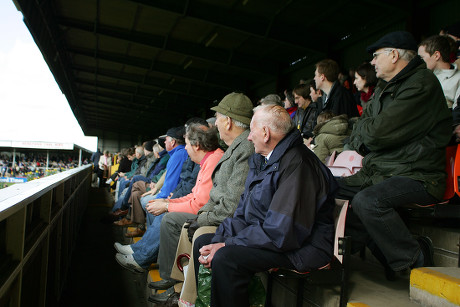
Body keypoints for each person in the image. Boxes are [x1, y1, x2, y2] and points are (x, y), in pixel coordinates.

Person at [193, 105, 338, 306]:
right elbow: (243, 215)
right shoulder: (263, 160)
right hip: (274, 236)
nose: (249, 137)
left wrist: (228, 244)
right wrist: (220, 239)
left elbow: (283, 232)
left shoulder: (299, 164)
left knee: (226, 257)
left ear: (265, 133)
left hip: (301, 246)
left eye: (252, 131)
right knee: (204, 244)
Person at [339, 31, 452, 276]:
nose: (372, 62)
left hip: (418, 174)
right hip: (383, 169)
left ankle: (414, 258)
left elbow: (377, 133)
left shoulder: (421, 83)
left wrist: (370, 134)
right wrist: (368, 135)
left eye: (376, 56)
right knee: (326, 186)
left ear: (393, 55)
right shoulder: (383, 88)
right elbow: (360, 128)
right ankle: (387, 256)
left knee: (368, 202)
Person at [148, 92, 255, 305]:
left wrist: (202, 218)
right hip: (219, 215)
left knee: (190, 228)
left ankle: (185, 297)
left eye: (220, 118)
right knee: (188, 225)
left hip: (231, 221)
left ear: (229, 121)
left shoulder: (244, 148)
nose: (216, 123)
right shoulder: (235, 148)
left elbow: (229, 204)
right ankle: (181, 294)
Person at [114, 124, 224, 273]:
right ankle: (140, 253)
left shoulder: (212, 161)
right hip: (201, 208)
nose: (185, 148)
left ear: (196, 145)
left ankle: (166, 275)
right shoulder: (207, 160)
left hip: (208, 215)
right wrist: (168, 202)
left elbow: (199, 204)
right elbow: (193, 195)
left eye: (186, 144)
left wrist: (167, 206)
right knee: (164, 211)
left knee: (168, 217)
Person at [418, 35, 460, 108]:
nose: (419, 62)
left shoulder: (458, 80)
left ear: (436, 55)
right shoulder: (421, 77)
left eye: (422, 58)